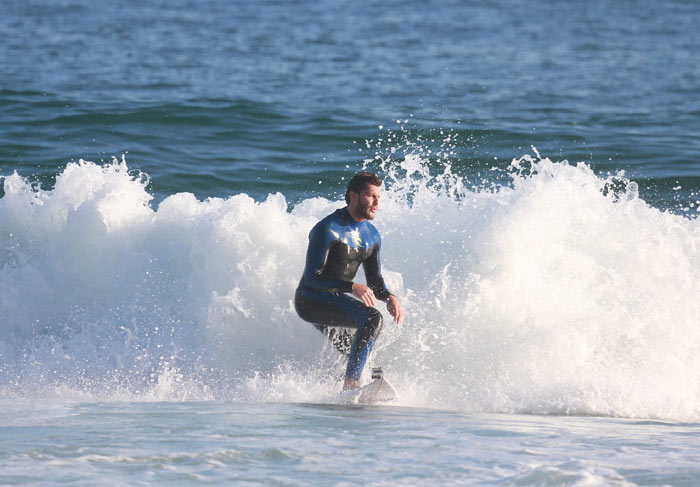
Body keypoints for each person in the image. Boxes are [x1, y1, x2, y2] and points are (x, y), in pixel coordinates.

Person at [294, 171, 404, 391]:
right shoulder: (327, 229)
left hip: (334, 298)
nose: (376, 203)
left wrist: (389, 296)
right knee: (372, 319)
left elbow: (374, 282)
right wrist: (351, 287)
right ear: (354, 196)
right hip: (310, 300)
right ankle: (350, 384)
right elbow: (311, 279)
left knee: (356, 347)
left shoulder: (372, 235)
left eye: (379, 198)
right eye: (371, 196)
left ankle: (344, 389)